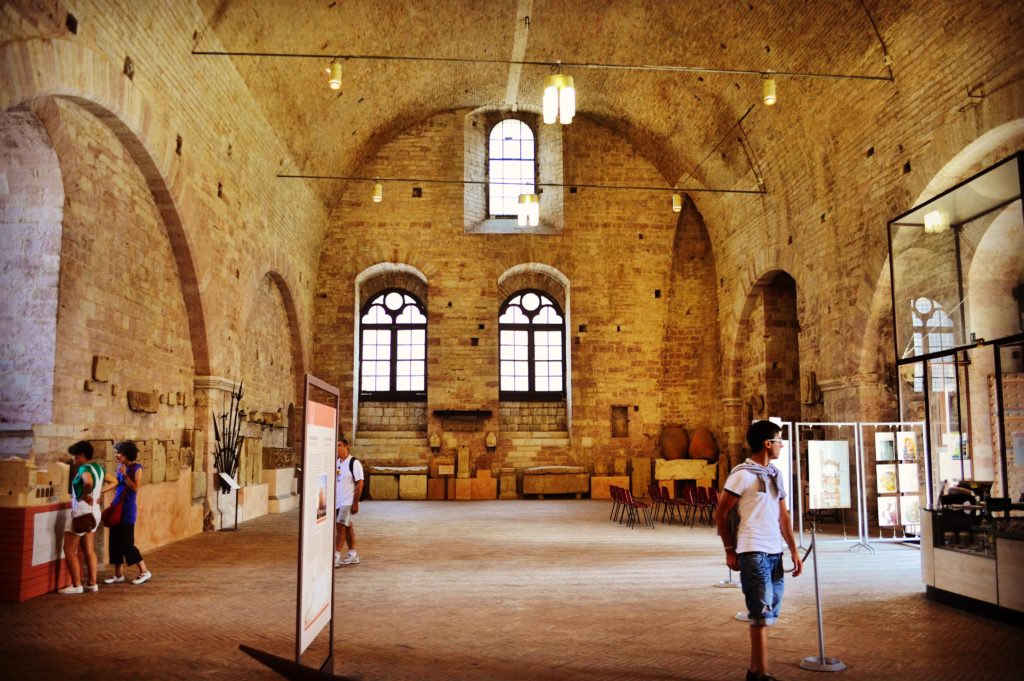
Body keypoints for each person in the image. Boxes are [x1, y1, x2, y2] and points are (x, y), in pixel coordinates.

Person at [714, 420, 803, 681]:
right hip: (752, 550)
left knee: (770, 609)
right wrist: (730, 550)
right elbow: (721, 513)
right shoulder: (742, 474)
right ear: (767, 444)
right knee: (760, 611)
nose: (781, 445)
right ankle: (761, 673)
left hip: (774, 552)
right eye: (778, 440)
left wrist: (794, 551)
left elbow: (783, 517)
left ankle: (755, 671)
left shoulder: (775, 474)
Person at [101, 440, 152, 585]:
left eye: (120, 453)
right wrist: (100, 492)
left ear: (127, 455)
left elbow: (135, 488)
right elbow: (116, 483)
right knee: (115, 543)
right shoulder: (120, 467)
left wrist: (124, 475)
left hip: (128, 510)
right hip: (117, 508)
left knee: (127, 543)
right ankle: (118, 575)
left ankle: (144, 571)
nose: (117, 456)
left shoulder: (137, 468)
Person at [59, 441, 105, 594]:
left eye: (76, 456)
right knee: (89, 550)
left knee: (69, 549)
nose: (74, 460)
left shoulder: (84, 467)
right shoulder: (99, 467)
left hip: (81, 512)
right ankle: (92, 583)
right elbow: (115, 481)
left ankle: (76, 585)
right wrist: (97, 495)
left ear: (81, 456)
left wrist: (84, 495)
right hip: (95, 512)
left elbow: (88, 481)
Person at [334, 437, 364, 567]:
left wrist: (355, 502)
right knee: (347, 526)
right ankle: (353, 554)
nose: (337, 448)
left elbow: (360, 483)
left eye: (339, 445)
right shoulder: (336, 462)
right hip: (337, 501)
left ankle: (336, 556)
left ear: (346, 447)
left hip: (347, 501)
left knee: (340, 526)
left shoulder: (354, 463)